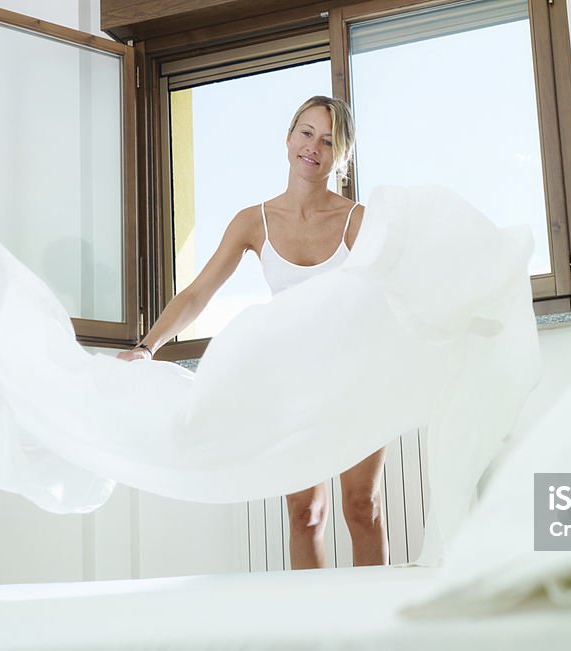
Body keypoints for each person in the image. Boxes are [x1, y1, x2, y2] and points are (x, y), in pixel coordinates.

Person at [118, 95, 387, 570]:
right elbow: (198, 294)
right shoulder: (253, 222)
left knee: (360, 507)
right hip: (291, 386)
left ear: (341, 156)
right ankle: (315, 634)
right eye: (306, 133)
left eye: (329, 140)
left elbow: (399, 290)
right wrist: (146, 347)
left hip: (357, 379)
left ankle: (376, 630)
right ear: (288, 139)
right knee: (305, 513)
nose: (314, 147)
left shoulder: (356, 220)